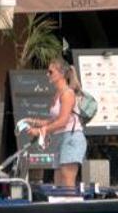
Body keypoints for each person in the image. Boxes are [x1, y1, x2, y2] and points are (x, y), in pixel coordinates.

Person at [33, 59, 87, 192]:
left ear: (61, 73)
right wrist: (36, 123)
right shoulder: (58, 94)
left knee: (67, 181)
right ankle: (62, 208)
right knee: (58, 182)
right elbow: (55, 119)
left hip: (71, 138)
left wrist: (42, 131)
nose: (48, 74)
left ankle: (70, 209)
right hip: (60, 138)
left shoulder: (67, 94)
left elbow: (63, 121)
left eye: (50, 71)